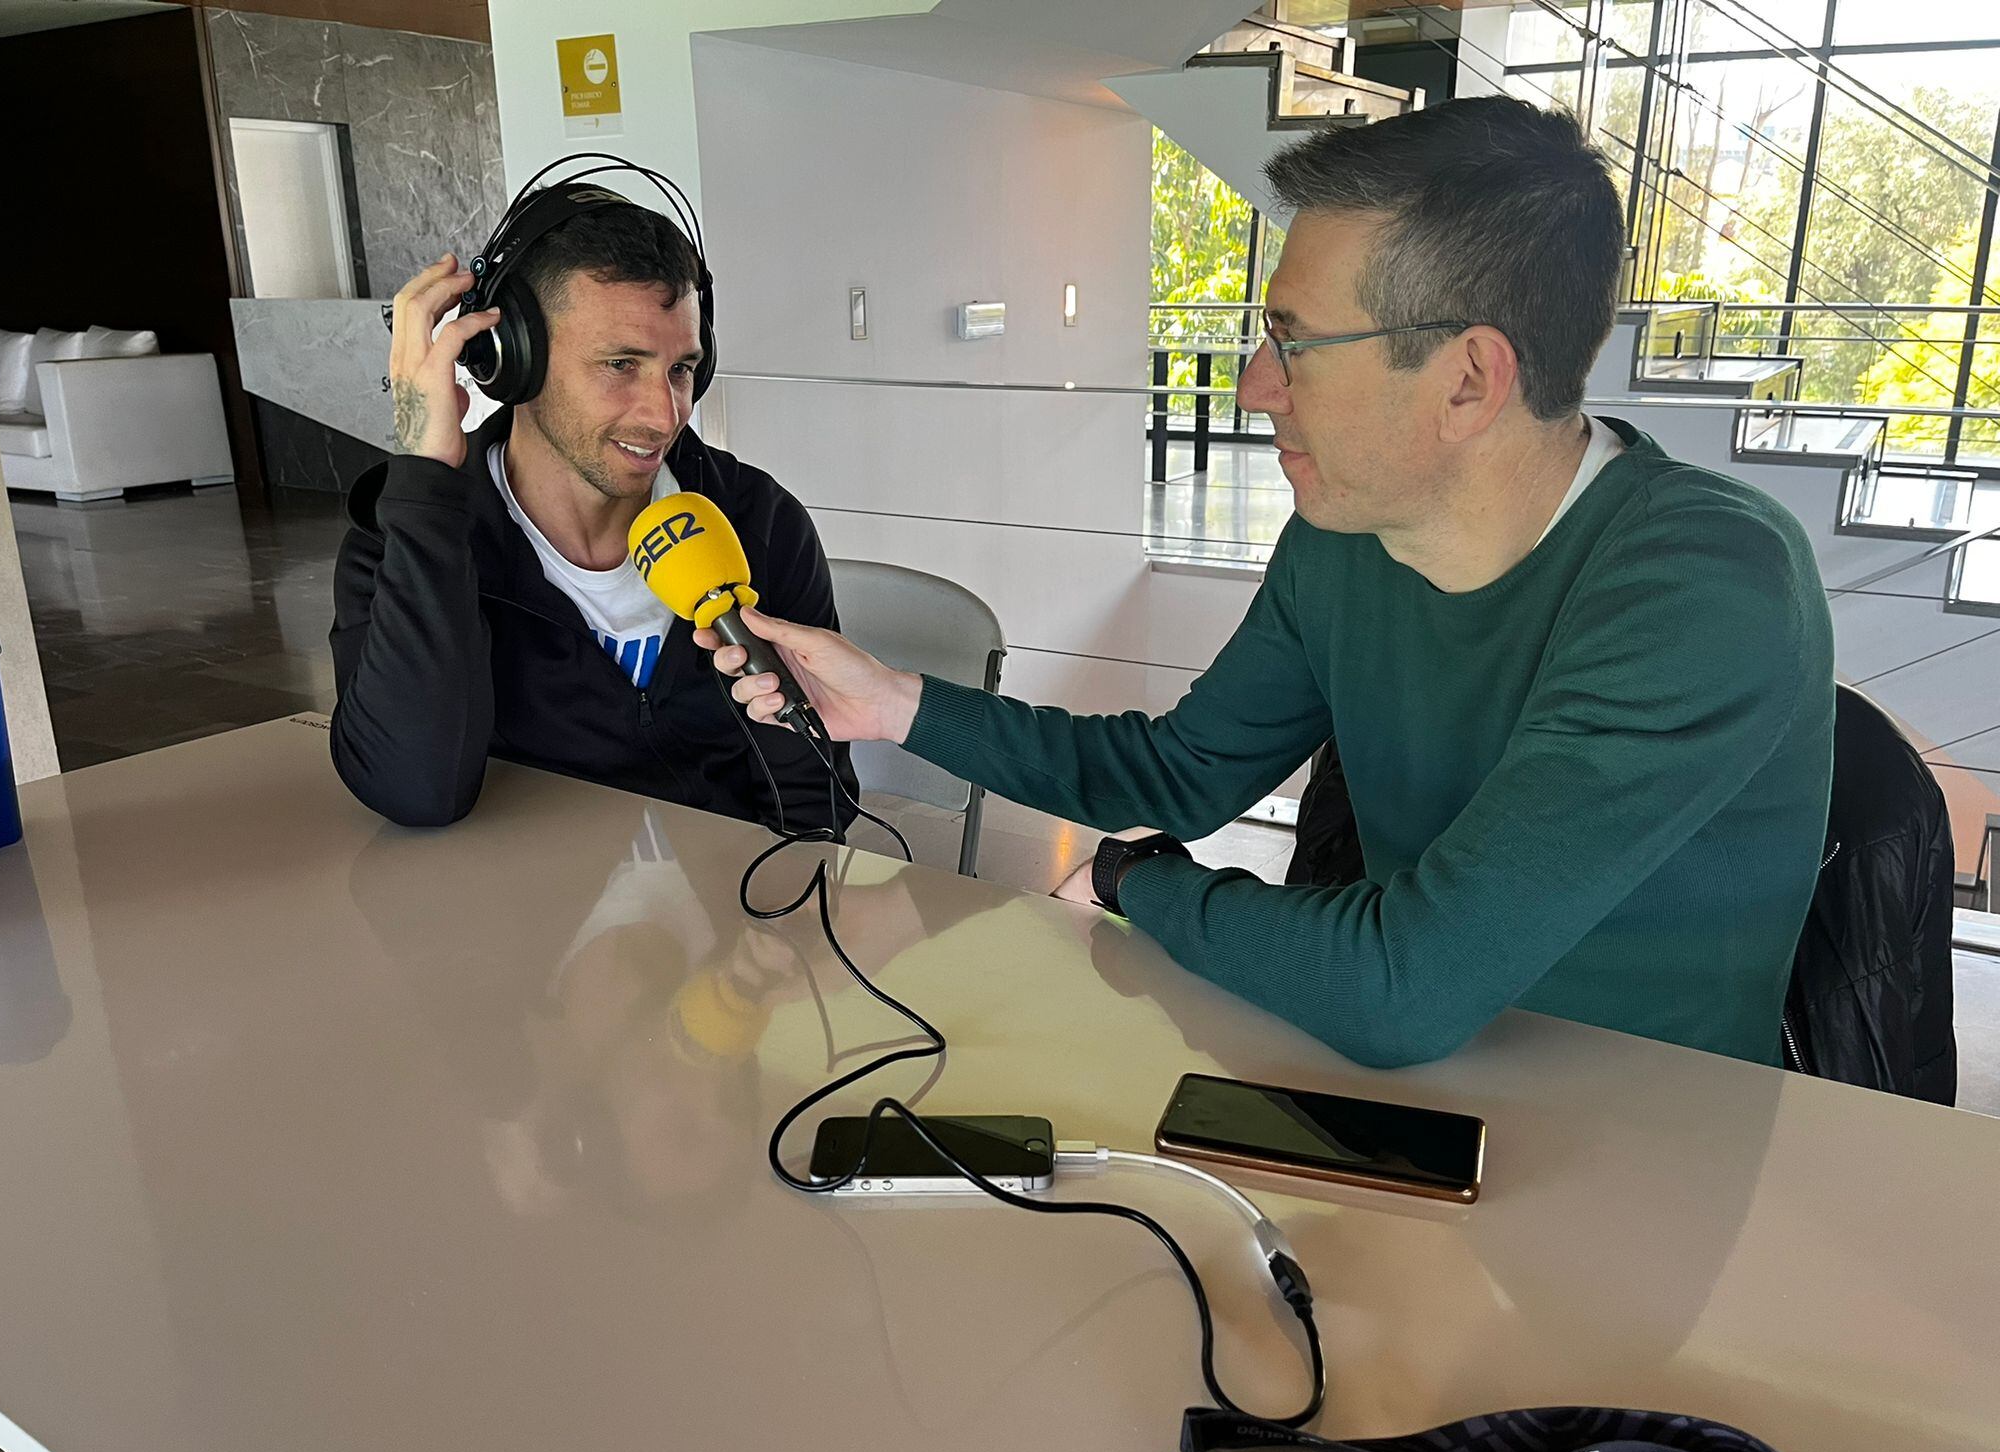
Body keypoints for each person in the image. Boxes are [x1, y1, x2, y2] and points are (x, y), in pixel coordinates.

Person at [699, 98, 1834, 1070]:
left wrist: (1138, 886)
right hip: (1398, 1107)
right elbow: (1179, 771)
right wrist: (890, 702)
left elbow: (1403, 990)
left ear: (1466, 380)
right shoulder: (1347, 534)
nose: (1251, 387)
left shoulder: (1703, 584)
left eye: (1292, 342)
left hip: (1650, 1150)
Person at [329, 183, 856, 832]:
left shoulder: (760, 523)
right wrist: (427, 478)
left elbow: (818, 802)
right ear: (511, 360)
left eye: (681, 369)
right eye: (620, 364)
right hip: (520, 919)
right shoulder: (403, 541)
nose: (665, 414)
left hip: (737, 912)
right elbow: (415, 793)